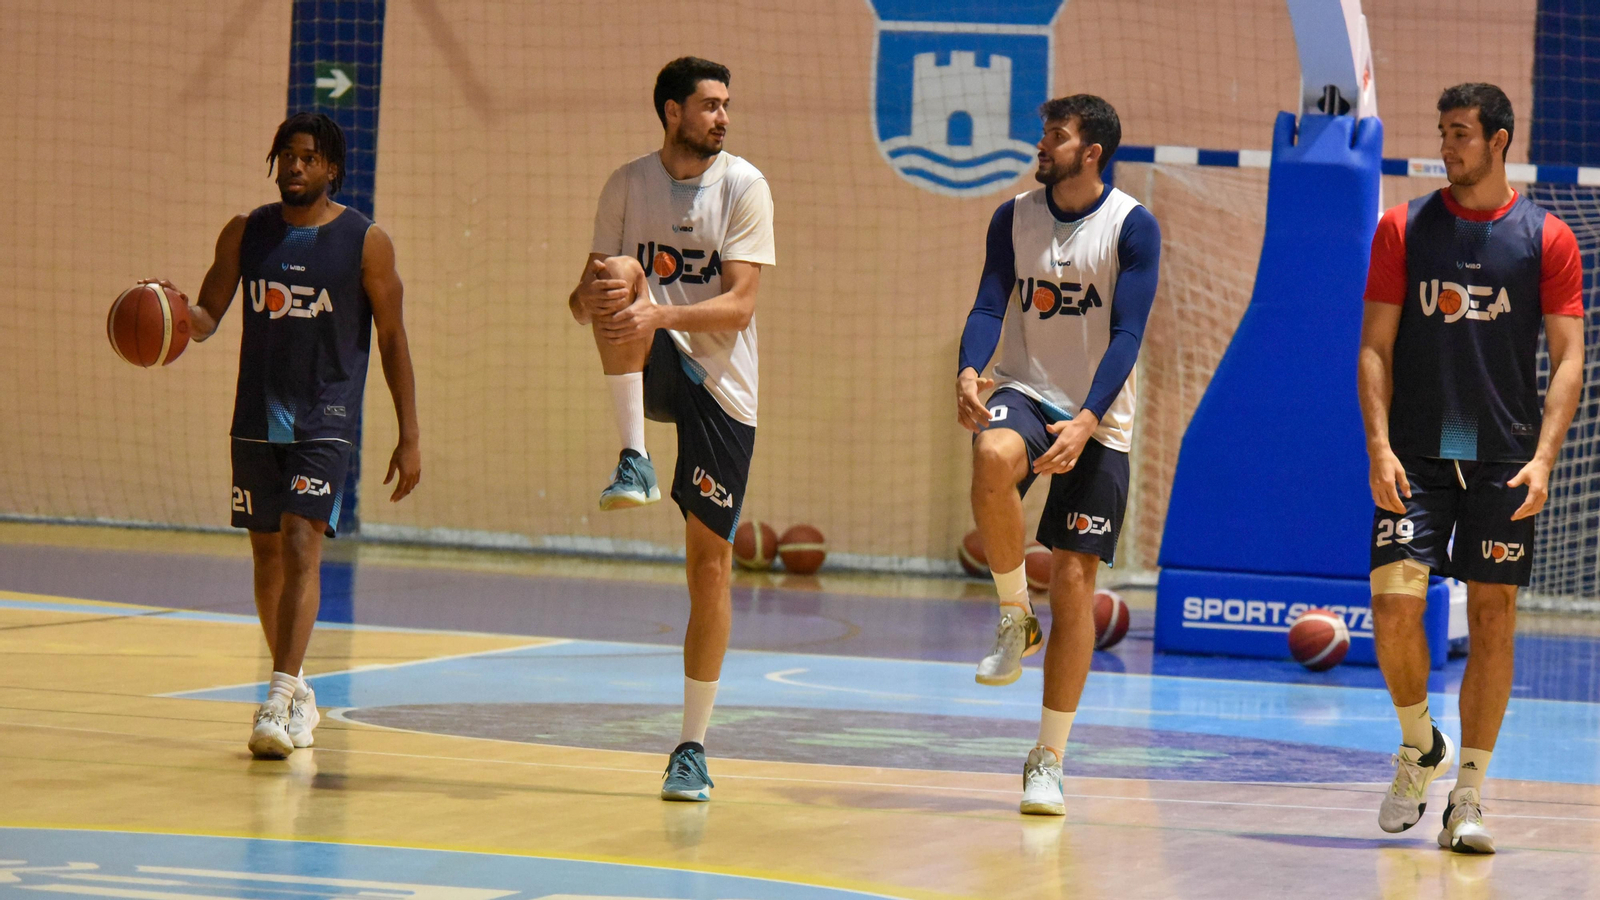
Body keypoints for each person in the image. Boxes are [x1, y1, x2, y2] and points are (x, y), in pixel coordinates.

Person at [1359, 82, 1584, 853]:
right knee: (1391, 610)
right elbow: (1373, 348)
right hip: (1418, 453)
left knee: (1493, 618)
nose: (1448, 145)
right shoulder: (1403, 227)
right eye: (1443, 130)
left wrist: (1547, 458)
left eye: (1461, 133)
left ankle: (1469, 799)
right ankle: (1420, 744)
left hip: (1504, 456)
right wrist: (1379, 447)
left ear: (1499, 141)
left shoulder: (1546, 238)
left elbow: (1569, 357)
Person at [178, 112, 422, 759]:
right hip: (256, 415)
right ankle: (301, 691)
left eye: (308, 157)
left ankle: (278, 697)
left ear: (331, 168)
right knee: (265, 557)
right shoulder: (246, 232)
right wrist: (167, 316)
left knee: (299, 542)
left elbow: (393, 338)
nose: (294, 166)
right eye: (286, 155)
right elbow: (206, 316)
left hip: (327, 419)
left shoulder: (366, 242)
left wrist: (410, 433)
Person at [568, 57, 775, 801]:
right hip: (652, 354)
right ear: (671, 111)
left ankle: (691, 746)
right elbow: (585, 298)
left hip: (721, 379)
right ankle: (634, 457)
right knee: (619, 270)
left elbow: (741, 305)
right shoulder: (628, 184)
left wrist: (660, 311)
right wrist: (596, 292)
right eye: (709, 105)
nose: (722, 117)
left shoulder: (745, 186)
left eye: (727, 104)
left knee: (709, 566)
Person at [955, 94, 1160, 815]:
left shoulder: (1132, 226)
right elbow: (988, 305)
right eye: (1045, 133)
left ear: (1092, 151)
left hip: (1099, 416)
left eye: (1057, 135)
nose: (1042, 144)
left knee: (1075, 584)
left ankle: (1048, 758)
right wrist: (968, 367)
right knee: (989, 457)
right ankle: (1015, 615)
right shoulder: (1013, 215)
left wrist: (1088, 417)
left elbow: (1129, 336)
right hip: (1026, 388)